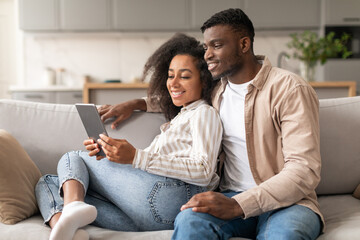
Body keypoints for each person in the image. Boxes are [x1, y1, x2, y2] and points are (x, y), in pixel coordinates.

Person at [99, 9, 324, 240]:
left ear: (244, 44)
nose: (207, 55)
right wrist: (136, 103)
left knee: (285, 236)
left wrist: (239, 204)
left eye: (216, 45)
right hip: (230, 194)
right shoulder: (218, 90)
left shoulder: (289, 89)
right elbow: (182, 95)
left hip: (287, 203)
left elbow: (303, 170)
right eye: (206, 47)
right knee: (188, 221)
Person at [35, 33, 223, 240]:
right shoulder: (182, 114)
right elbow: (160, 101)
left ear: (205, 81)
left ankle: (71, 207)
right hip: (150, 215)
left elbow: (205, 170)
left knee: (74, 158)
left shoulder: (204, 113)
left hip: (174, 196)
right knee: (49, 183)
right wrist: (112, 153)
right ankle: (65, 228)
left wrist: (135, 157)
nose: (174, 83)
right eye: (170, 76)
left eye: (185, 76)